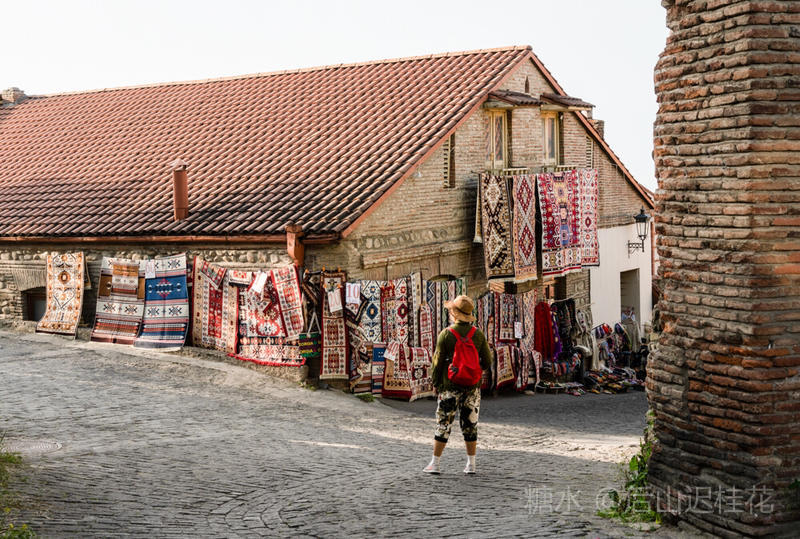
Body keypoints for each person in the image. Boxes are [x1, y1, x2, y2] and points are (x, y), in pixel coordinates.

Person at [423, 294, 492, 475]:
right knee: (470, 424)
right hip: (472, 387)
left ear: (454, 313)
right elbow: (487, 361)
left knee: (444, 423)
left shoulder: (446, 334)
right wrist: (473, 370)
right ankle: (471, 464)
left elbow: (437, 363)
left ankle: (435, 464)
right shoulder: (478, 335)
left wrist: (436, 383)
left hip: (449, 386)